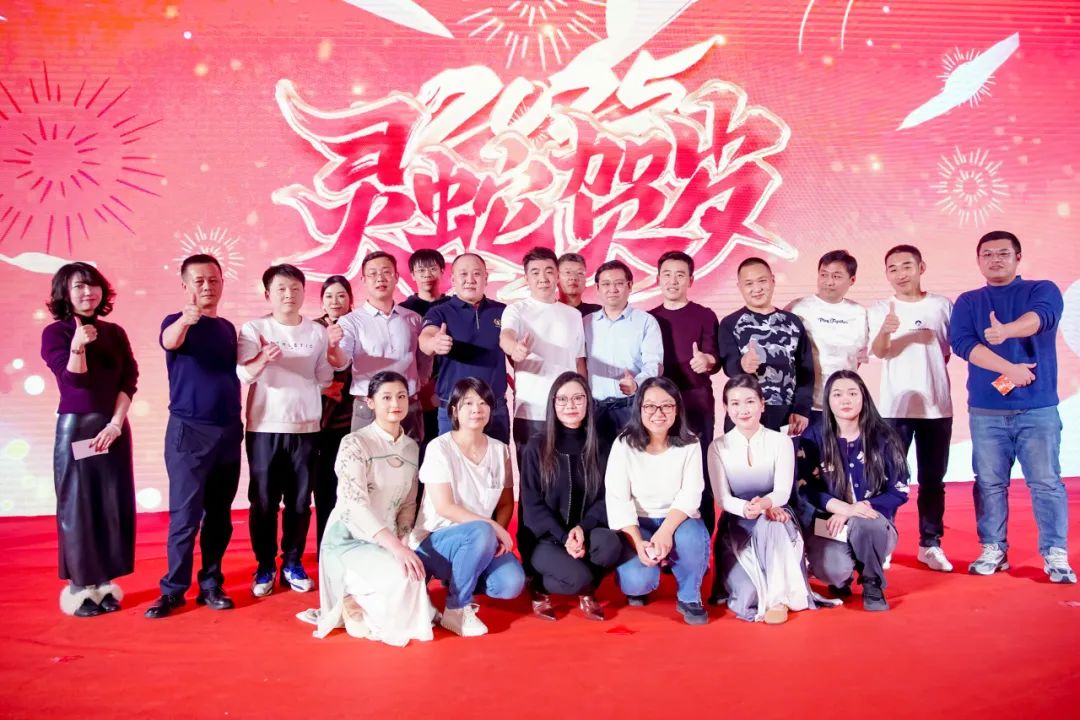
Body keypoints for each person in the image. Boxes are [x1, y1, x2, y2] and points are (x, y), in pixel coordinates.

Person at [949, 230, 1074, 583]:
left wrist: (1008, 331)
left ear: (1018, 258)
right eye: (987, 254)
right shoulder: (968, 301)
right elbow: (962, 344)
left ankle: (1055, 553)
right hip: (986, 411)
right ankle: (993, 548)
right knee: (989, 483)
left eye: (1003, 253)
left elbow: (1043, 317)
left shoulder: (1041, 289)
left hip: (1037, 409)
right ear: (978, 260)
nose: (995, 259)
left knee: (1046, 482)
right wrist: (1009, 370)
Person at [306, 371, 436, 646]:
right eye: (386, 397)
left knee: (413, 576)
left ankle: (361, 603)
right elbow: (355, 505)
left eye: (401, 396)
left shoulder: (411, 448)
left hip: (387, 542)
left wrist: (404, 541)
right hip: (349, 541)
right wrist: (396, 548)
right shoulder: (354, 443)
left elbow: (408, 503)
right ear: (370, 402)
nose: (395, 404)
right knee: (405, 581)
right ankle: (349, 600)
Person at [146, 254, 243, 619]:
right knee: (185, 516)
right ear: (185, 285)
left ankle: (211, 584)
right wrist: (186, 321)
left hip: (228, 431)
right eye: (199, 281)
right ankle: (173, 590)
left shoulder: (227, 328)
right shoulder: (175, 322)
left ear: (222, 283)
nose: (207, 287)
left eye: (213, 280)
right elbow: (169, 342)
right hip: (189, 432)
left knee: (219, 515)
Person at [41, 262, 137, 617]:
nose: (88, 292)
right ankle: (80, 587)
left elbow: (129, 380)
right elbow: (75, 382)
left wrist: (115, 424)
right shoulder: (56, 333)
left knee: (112, 503)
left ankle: (105, 584)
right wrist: (78, 346)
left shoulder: (115, 332)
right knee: (79, 506)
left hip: (112, 431)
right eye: (79, 286)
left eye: (93, 285)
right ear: (65, 293)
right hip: (79, 431)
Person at [237, 264, 335, 597]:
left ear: (304, 292)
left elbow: (324, 378)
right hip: (264, 426)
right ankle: (265, 565)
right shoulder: (254, 329)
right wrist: (264, 358)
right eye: (281, 289)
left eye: (295, 288)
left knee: (299, 502)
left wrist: (328, 358)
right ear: (268, 294)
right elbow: (244, 374)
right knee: (264, 501)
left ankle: (292, 562)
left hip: (306, 427)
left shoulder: (316, 332)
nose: (288, 294)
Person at [410, 378, 525, 636]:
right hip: (436, 540)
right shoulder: (439, 448)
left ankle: (463, 575)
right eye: (468, 403)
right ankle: (457, 607)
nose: (477, 409)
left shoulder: (500, 451)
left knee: (510, 583)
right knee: (481, 531)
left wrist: (497, 537)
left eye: (483, 403)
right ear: (454, 410)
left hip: (478, 540)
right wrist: (492, 527)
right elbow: (445, 507)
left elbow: (506, 503)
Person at [868, 245, 955, 572]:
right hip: (895, 408)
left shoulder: (942, 305)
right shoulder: (880, 309)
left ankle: (930, 544)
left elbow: (946, 351)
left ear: (921, 267)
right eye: (893, 269)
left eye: (907, 266)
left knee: (933, 479)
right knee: (888, 478)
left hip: (937, 407)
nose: (900, 274)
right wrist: (886, 331)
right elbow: (878, 352)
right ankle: (885, 542)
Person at [708, 374, 814, 624]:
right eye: (735, 403)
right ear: (726, 407)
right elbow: (722, 498)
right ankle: (763, 589)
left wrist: (766, 505)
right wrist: (746, 508)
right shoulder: (717, 447)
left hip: (776, 514)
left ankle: (777, 599)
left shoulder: (780, 442)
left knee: (772, 523)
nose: (743, 410)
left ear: (762, 404)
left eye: (750, 402)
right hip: (738, 523)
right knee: (748, 597)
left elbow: (783, 492)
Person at [800, 371, 910, 611]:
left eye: (852, 393)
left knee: (864, 523)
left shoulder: (884, 437)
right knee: (834, 570)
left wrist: (861, 508)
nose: (845, 400)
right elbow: (805, 487)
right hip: (830, 524)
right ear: (828, 400)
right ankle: (844, 577)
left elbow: (900, 489)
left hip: (873, 522)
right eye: (837, 394)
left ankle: (872, 582)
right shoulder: (813, 436)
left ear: (863, 397)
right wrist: (843, 509)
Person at [606, 377, 711, 625]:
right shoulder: (623, 445)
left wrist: (666, 531)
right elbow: (618, 498)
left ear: (677, 409)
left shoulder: (690, 443)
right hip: (638, 522)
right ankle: (640, 582)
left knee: (692, 539)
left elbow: (691, 494)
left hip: (678, 519)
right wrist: (637, 541)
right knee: (636, 582)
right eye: (650, 406)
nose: (658, 413)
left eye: (666, 406)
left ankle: (689, 596)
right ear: (639, 408)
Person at [520, 372, 620, 621]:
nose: (570, 405)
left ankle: (583, 580)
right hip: (546, 539)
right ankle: (539, 585)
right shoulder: (536, 446)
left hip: (583, 532)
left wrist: (581, 529)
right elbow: (532, 506)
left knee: (611, 545)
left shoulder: (601, 446)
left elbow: (607, 497)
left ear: (588, 402)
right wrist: (564, 537)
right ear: (553, 404)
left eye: (578, 398)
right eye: (562, 399)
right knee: (577, 579)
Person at [650, 250, 722, 534]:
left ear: (691, 280)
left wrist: (707, 361)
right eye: (667, 274)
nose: (673, 281)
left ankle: (703, 538)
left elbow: (715, 358)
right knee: (662, 470)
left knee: (699, 470)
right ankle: (664, 534)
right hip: (658, 408)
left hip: (696, 403)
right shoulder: (649, 318)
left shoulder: (705, 315)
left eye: (680, 275)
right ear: (658, 279)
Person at [500, 247, 588, 468]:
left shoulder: (573, 315)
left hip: (568, 412)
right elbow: (506, 336)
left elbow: (579, 362)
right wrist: (514, 348)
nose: (543, 278)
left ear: (557, 275)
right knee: (531, 476)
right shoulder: (516, 310)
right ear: (526, 278)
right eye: (535, 272)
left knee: (569, 475)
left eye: (549, 271)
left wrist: (585, 401)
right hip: (531, 410)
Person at [419, 253, 510, 443]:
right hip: (454, 408)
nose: (470, 280)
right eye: (463, 274)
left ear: (486, 278)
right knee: (451, 461)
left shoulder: (504, 311)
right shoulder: (440, 311)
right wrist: (434, 342)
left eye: (476, 274)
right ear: (453, 280)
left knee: (498, 460)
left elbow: (513, 349)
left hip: (494, 409)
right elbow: (426, 338)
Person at [718, 257, 813, 435]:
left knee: (786, 454)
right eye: (749, 283)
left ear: (773, 281)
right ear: (739, 287)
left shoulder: (792, 322)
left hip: (786, 413)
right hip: (744, 412)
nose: (757, 288)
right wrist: (742, 365)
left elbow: (805, 370)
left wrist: (802, 408)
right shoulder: (730, 323)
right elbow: (729, 367)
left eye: (762, 281)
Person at [336, 251, 424, 443]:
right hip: (369, 407)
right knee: (365, 459)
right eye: (373, 274)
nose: (380, 278)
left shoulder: (413, 318)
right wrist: (332, 347)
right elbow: (341, 362)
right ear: (363, 280)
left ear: (396, 277)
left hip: (407, 405)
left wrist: (420, 383)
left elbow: (424, 359)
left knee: (411, 459)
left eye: (386, 272)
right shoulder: (350, 321)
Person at [584, 259, 663, 448]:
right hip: (595, 408)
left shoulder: (646, 322)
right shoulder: (586, 322)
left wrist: (636, 384)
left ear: (630, 286)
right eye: (606, 284)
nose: (612, 289)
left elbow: (654, 364)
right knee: (597, 462)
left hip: (632, 406)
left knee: (636, 459)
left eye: (619, 283)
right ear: (597, 288)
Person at [787, 250, 869, 427]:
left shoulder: (860, 313)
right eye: (824, 275)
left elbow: (858, 358)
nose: (829, 282)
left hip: (844, 406)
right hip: (804, 407)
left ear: (852, 280)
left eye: (837, 276)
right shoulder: (798, 308)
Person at [313, 275, 356, 553]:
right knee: (325, 486)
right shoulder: (312, 330)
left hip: (355, 418)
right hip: (320, 422)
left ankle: (356, 546)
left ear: (350, 299)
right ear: (322, 302)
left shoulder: (359, 324)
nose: (335, 301)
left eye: (341, 295)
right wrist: (323, 388)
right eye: (329, 296)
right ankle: (326, 549)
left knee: (354, 486)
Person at [400, 249, 448, 464]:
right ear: (412, 275)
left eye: (432, 269)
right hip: (415, 390)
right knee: (416, 449)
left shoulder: (454, 306)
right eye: (421, 270)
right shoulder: (404, 310)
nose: (427, 274)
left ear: (442, 271)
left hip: (448, 386)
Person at [557, 252, 601, 316]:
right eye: (568, 272)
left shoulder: (597, 312)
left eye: (580, 273)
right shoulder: (547, 312)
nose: (574, 277)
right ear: (556, 278)